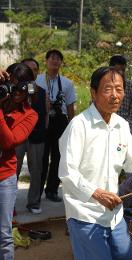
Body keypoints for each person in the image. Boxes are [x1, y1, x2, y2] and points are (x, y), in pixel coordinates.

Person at [58, 66, 132, 260]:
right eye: (108, 89)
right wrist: (97, 193)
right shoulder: (79, 125)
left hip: (114, 215)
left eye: (119, 89)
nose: (115, 95)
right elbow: (67, 172)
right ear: (93, 93)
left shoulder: (121, 125)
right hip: (85, 215)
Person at [0, 64, 38, 260]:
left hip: (4, 178)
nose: (15, 92)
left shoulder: (30, 115)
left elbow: (9, 142)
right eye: (10, 85)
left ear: (28, 89)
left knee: (3, 235)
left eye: (20, 87)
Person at [36, 49, 76, 202]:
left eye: (58, 58)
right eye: (52, 58)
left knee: (58, 157)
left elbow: (71, 106)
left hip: (60, 121)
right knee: (42, 157)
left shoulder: (67, 83)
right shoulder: (37, 80)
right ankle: (37, 190)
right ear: (46, 61)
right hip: (42, 121)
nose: (55, 61)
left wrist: (72, 126)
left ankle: (52, 190)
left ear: (61, 63)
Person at [13, 58, 49, 214]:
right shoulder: (13, 89)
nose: (31, 71)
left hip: (36, 137)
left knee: (37, 171)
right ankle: (9, 204)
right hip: (17, 136)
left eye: (34, 69)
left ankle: (34, 202)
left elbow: (46, 114)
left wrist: (43, 131)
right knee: (13, 170)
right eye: (27, 68)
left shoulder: (41, 92)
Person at [109, 55, 132, 129]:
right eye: (118, 70)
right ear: (110, 69)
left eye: (123, 70)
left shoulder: (128, 84)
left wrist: (127, 124)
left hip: (125, 127)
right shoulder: (104, 84)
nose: (121, 73)